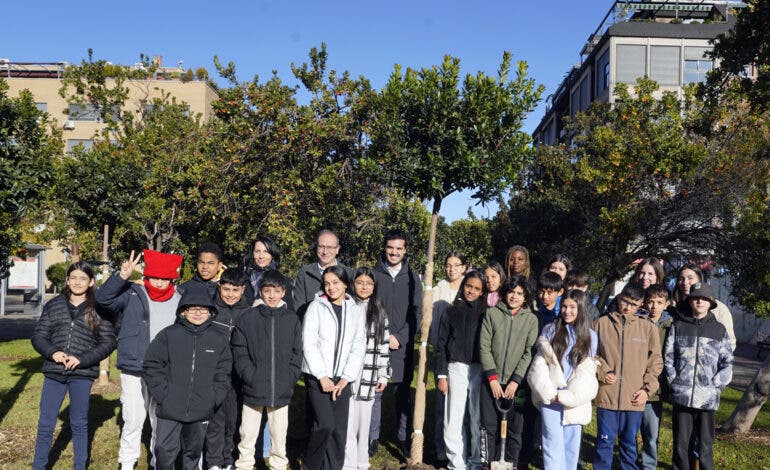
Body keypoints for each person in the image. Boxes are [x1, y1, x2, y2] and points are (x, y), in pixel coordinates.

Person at [96, 249, 184, 470]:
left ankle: (158, 461)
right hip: (135, 366)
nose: (160, 283)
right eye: (155, 277)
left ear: (172, 278)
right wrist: (122, 277)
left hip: (166, 369)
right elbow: (103, 300)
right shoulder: (132, 292)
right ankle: (127, 463)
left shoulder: (181, 298)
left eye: (165, 279)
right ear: (147, 275)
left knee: (160, 420)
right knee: (133, 419)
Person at [31, 261, 116, 470]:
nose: (78, 282)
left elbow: (108, 342)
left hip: (82, 373)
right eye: (74, 278)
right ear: (67, 280)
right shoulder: (54, 305)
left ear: (91, 282)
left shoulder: (100, 308)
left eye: (83, 278)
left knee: (79, 423)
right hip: (54, 372)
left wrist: (82, 359)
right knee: (46, 424)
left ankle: (79, 466)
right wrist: (53, 352)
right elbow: (39, 336)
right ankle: (38, 466)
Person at [143, 285, 233, 470]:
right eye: (192, 308)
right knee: (163, 450)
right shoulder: (168, 335)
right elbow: (152, 365)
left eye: (203, 308)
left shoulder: (218, 339)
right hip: (170, 406)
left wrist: (213, 398)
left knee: (193, 452)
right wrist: (163, 394)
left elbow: (223, 372)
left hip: (202, 407)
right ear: (183, 311)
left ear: (210, 311)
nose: (198, 312)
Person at [232, 270, 302, 470]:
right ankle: (244, 464)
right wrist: (249, 375)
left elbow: (297, 352)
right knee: (247, 434)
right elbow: (240, 350)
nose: (272, 295)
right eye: (267, 290)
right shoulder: (248, 318)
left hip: (281, 388)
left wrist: (290, 377)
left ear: (283, 292)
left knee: (279, 435)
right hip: (254, 386)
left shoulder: (291, 319)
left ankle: (278, 465)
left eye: (277, 291)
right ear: (260, 291)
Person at [592, 282, 663, 470]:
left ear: (640, 304)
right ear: (619, 298)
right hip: (607, 396)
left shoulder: (648, 328)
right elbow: (591, 355)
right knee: (604, 442)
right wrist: (603, 371)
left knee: (629, 443)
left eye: (633, 304)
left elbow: (655, 362)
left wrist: (647, 390)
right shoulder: (601, 323)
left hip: (634, 398)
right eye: (625, 301)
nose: (627, 307)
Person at [303, 266, 367, 470]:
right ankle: (310, 465)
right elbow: (309, 343)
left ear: (345, 284)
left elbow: (358, 345)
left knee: (339, 431)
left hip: (342, 379)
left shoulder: (356, 311)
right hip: (317, 377)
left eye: (335, 283)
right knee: (324, 425)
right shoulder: (316, 307)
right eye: (327, 283)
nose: (330, 287)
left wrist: (346, 378)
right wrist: (322, 376)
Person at [665, 282, 733, 470]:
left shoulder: (719, 330)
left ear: (710, 302)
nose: (699, 301)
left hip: (707, 399)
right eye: (695, 298)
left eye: (704, 298)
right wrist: (675, 382)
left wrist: (715, 387)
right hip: (682, 397)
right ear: (690, 301)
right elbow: (668, 357)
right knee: (680, 444)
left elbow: (727, 362)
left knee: (704, 446)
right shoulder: (678, 326)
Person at [528, 289, 598, 470]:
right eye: (564, 306)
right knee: (551, 444)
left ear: (581, 309)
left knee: (571, 444)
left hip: (573, 398)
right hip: (551, 396)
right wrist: (548, 392)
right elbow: (541, 363)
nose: (567, 311)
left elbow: (586, 371)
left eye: (573, 307)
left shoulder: (591, 336)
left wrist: (570, 395)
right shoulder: (551, 330)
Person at [368, 229, 422, 458]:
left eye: (399, 248)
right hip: (375, 341)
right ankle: (371, 437)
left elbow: (417, 313)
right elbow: (366, 307)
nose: (394, 252)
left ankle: (402, 437)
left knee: (402, 393)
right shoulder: (373, 274)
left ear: (405, 250)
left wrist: (400, 336)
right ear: (385, 247)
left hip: (402, 344)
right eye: (391, 247)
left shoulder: (412, 277)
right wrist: (379, 335)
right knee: (374, 392)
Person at [479, 276, 539, 468]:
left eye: (520, 293)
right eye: (511, 292)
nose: (514, 296)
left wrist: (515, 381)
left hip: (517, 385)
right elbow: (484, 347)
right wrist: (492, 378)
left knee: (515, 428)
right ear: (505, 292)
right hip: (491, 381)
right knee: (488, 426)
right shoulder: (492, 314)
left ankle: (511, 464)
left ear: (525, 297)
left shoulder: (531, 319)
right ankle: (488, 463)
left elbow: (528, 351)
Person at [435, 270, 487, 470]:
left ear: (482, 291)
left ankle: (475, 461)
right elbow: (441, 345)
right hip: (455, 367)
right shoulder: (450, 311)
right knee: (453, 419)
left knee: (475, 418)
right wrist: (442, 374)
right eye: (468, 286)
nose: (471, 291)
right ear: (463, 285)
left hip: (478, 369)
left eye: (476, 289)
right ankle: (456, 462)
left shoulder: (486, 313)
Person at [205, 268, 252, 470]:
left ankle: (227, 458)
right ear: (219, 287)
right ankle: (213, 461)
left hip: (237, 377)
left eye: (235, 290)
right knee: (215, 419)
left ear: (243, 290)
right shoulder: (210, 309)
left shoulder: (249, 312)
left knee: (233, 420)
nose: (230, 294)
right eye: (226, 289)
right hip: (213, 375)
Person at [343, 267, 390, 470]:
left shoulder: (379, 309)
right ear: (353, 284)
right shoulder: (347, 305)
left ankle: (362, 461)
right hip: (349, 372)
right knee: (348, 420)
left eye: (369, 283)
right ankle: (348, 462)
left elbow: (384, 344)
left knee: (364, 420)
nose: (364, 287)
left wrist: (383, 374)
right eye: (360, 282)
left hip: (370, 371)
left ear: (374, 287)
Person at [429, 251, 468, 463]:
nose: (451, 269)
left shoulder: (469, 288)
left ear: (464, 267)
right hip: (443, 352)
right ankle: (441, 449)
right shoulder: (438, 290)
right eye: (448, 265)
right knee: (442, 403)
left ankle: (462, 450)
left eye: (456, 265)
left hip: (464, 356)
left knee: (462, 407)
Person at [640, 284, 674, 470]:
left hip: (656, 387)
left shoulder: (671, 325)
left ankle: (649, 465)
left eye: (659, 302)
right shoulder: (637, 321)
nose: (654, 306)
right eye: (650, 302)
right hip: (634, 380)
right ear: (645, 302)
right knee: (629, 430)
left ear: (666, 304)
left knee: (651, 432)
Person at [672, 263, 736, 351]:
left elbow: (730, 343)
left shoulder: (719, 309)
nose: (685, 282)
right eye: (681, 279)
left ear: (700, 280)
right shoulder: (672, 306)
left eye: (690, 278)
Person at [294, 229, 354, 317]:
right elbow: (299, 307)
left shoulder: (349, 274)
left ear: (337, 249)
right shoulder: (305, 273)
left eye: (329, 247)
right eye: (321, 246)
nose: (325, 252)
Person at [242, 235, 293, 310]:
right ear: (252, 254)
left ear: (272, 254)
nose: (261, 256)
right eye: (257, 251)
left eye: (266, 252)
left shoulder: (283, 281)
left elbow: (289, 311)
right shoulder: (243, 279)